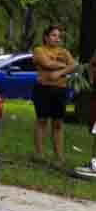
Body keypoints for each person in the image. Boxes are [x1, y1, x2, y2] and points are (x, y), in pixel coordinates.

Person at [32, 25, 77, 167]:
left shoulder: (64, 51)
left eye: (58, 36)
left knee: (58, 123)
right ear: (46, 37)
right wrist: (64, 65)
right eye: (53, 35)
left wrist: (59, 73)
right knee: (42, 120)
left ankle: (59, 156)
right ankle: (39, 154)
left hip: (60, 90)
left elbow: (74, 65)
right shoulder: (39, 50)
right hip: (43, 89)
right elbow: (47, 63)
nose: (57, 38)